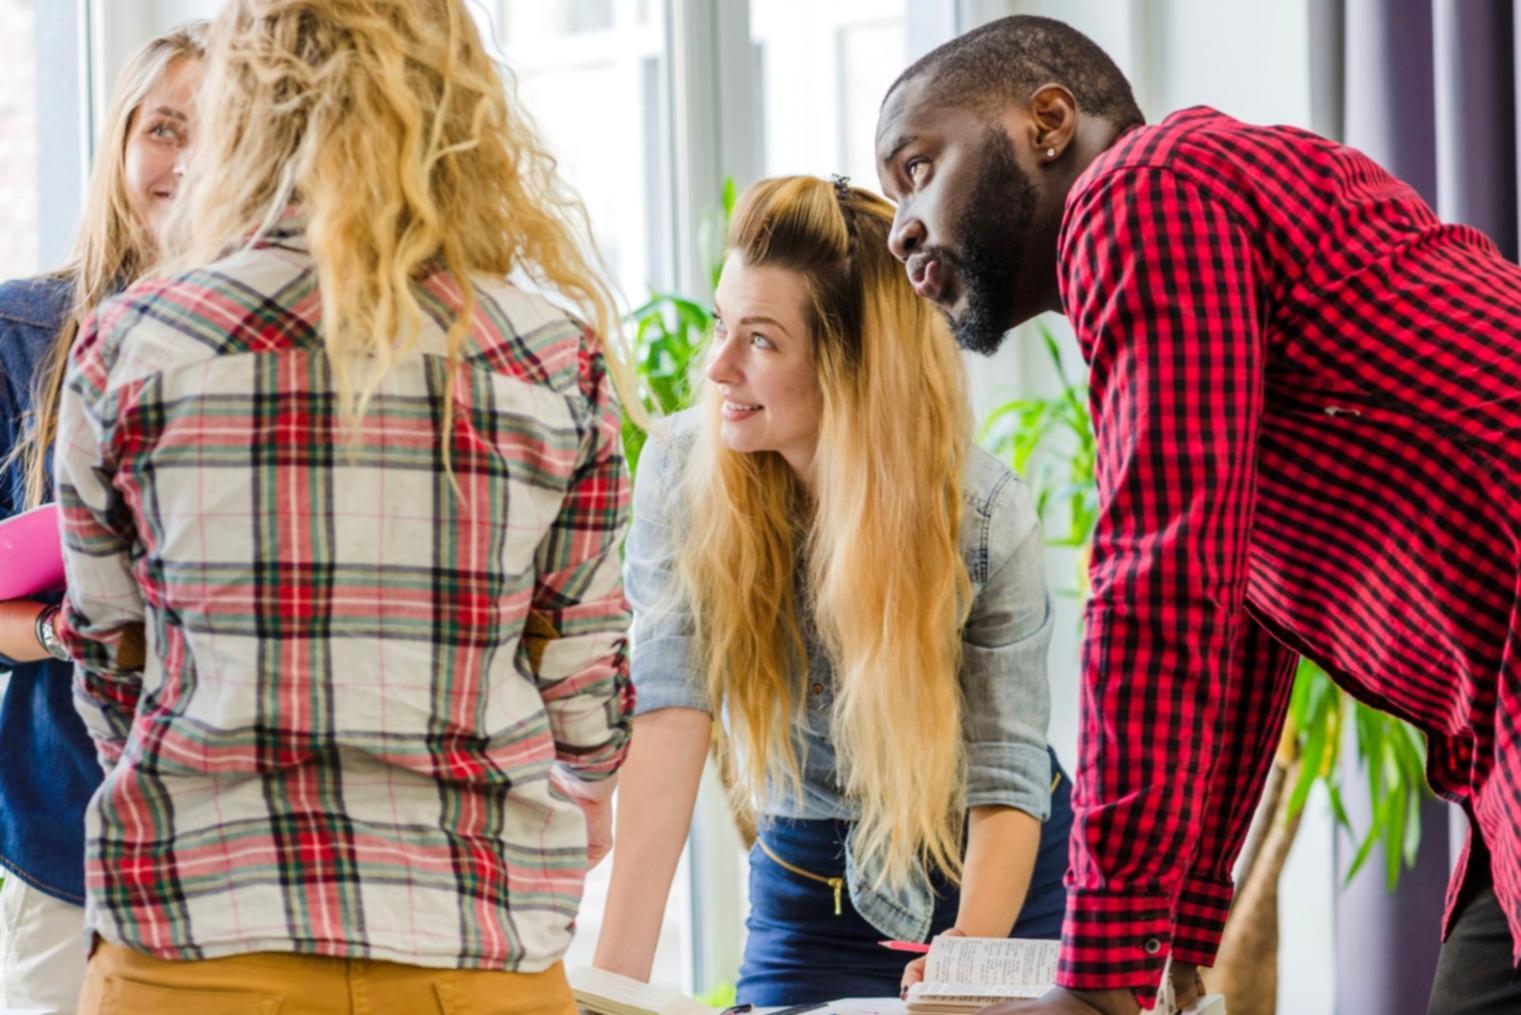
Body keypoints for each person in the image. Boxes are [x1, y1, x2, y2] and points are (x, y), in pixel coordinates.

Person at [874, 15, 1521, 1015]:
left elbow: (1160, 582)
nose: (899, 226)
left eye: (916, 166)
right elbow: (1235, 623)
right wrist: (1172, 927)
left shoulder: (1143, 190)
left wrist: (1098, 978)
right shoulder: (1193, 222)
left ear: (1048, 121)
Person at [52, 3, 636, 1012]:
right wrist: (584, 778)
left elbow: (109, 662)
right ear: (456, 106)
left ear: (247, 109)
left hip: (198, 945)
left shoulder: (133, 344)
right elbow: (584, 692)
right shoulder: (551, 358)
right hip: (470, 944)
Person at [592, 175, 1072, 1005]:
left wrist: (969, 963)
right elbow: (670, 715)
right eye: (721, 323)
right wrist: (612, 987)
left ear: (852, 366)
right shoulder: (679, 472)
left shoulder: (982, 517)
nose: (717, 367)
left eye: (762, 341)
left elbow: (1005, 767)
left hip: (997, 881)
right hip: (808, 890)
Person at [0, 23, 205, 1014]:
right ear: (120, 140)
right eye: (165, 128)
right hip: (63, 846)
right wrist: (59, 631)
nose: (187, 161)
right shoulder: (24, 331)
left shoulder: (295, 359)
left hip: (237, 863)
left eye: (221, 133)